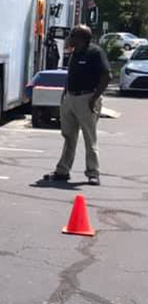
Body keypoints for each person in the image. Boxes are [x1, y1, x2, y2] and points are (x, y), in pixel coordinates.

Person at [43, 24, 110, 185]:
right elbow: (71, 76)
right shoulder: (75, 52)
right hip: (70, 98)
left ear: (82, 38)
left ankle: (93, 173)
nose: (70, 38)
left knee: (89, 137)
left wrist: (94, 98)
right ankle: (63, 171)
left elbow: (107, 76)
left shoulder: (95, 53)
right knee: (68, 136)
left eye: (73, 35)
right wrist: (64, 95)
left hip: (86, 98)